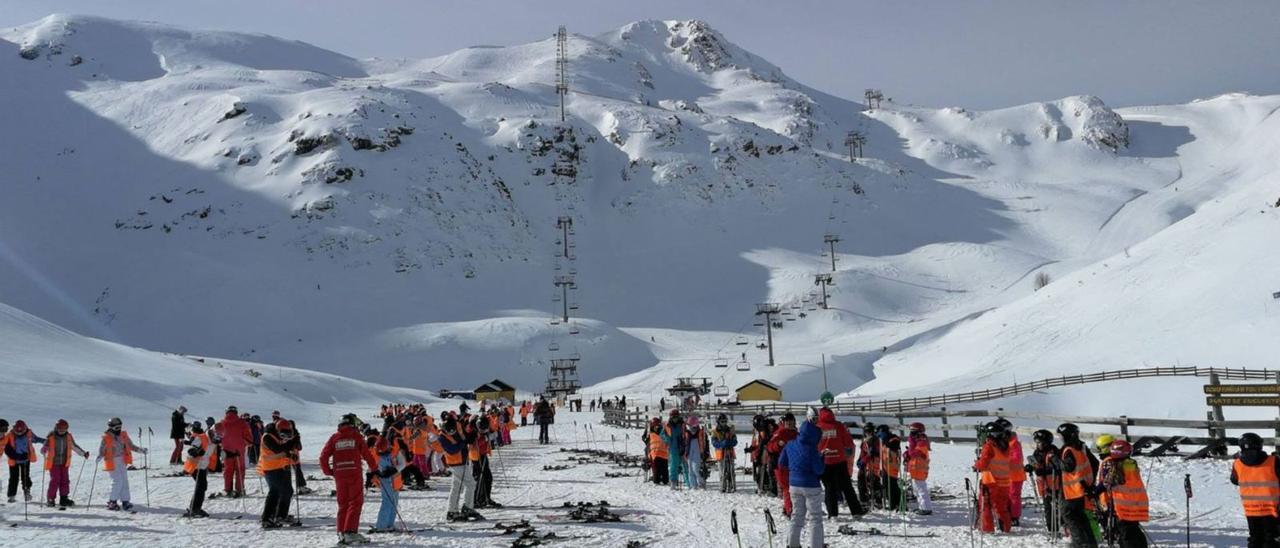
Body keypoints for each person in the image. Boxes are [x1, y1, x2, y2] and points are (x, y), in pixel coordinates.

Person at [320, 413, 379, 545]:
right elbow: (367, 454)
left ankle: (341, 532)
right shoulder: (356, 436)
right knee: (355, 502)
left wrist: (329, 471)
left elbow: (323, 457)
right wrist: (374, 468)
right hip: (354, 473)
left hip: (339, 474)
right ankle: (351, 532)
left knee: (343, 504)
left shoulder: (334, 438)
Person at [778, 417, 825, 548]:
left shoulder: (790, 444)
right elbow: (819, 470)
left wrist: (795, 465)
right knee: (815, 518)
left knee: (797, 516)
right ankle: (816, 545)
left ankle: (792, 544)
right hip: (811, 486)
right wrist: (822, 458)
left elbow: (782, 462)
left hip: (794, 484)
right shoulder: (812, 449)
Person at [1096, 440, 1148, 548]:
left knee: (1126, 535)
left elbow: (1107, 482)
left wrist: (1095, 491)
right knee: (1135, 531)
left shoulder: (1117, 467)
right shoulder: (1132, 463)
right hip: (1137, 504)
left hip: (1123, 507)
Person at [1232, 432, 1280, 548]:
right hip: (1271, 509)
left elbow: (1234, 480)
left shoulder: (1237, 464)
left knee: (1255, 538)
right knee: (1272, 539)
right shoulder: (1273, 461)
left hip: (1251, 509)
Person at [816, 407, 864, 517]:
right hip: (840, 461)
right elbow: (848, 442)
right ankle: (856, 512)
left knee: (829, 488)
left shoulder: (817, 427)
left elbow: (814, 445)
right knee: (847, 487)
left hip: (825, 461)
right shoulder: (839, 425)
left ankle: (833, 514)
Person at [1058, 423, 1100, 547]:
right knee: (1081, 517)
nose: (1061, 439)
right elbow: (1094, 463)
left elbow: (1068, 467)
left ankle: (1079, 543)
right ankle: (1090, 543)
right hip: (1082, 490)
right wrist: (1089, 482)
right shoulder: (1081, 447)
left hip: (1071, 491)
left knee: (1070, 517)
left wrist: (1055, 460)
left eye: (1062, 436)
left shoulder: (1069, 449)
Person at [97, 417, 146, 510]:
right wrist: (100, 456)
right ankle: (112, 501)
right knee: (117, 481)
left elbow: (131, 446)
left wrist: (141, 450)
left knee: (124, 481)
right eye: (116, 428)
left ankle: (125, 501)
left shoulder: (123, 435)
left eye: (120, 427)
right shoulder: (106, 437)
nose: (119, 429)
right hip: (112, 461)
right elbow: (102, 450)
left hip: (122, 460)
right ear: (111, 427)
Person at [259, 419, 299, 528]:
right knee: (276, 492)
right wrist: (291, 443)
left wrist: (291, 455)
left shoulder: (279, 436)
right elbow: (277, 449)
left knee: (287, 491)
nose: (285, 437)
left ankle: (280, 515)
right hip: (271, 468)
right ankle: (267, 518)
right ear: (278, 430)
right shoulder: (268, 437)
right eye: (283, 435)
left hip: (281, 467)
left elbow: (284, 451)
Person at [440, 416, 481, 521]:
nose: (452, 433)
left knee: (457, 488)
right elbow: (452, 450)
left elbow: (465, 436)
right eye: (449, 431)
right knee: (471, 484)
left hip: (462, 462)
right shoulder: (442, 437)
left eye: (453, 431)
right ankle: (466, 507)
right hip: (456, 463)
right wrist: (463, 443)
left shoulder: (456, 427)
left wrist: (471, 434)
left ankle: (452, 510)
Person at [975, 422, 1013, 533]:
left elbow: (983, 464)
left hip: (991, 481)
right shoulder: (1005, 445)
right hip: (1004, 481)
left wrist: (976, 464)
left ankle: (987, 529)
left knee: (985, 505)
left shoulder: (990, 446)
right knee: (1002, 505)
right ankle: (1006, 527)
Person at [43, 419, 89, 507]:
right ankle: (50, 499)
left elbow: (74, 446)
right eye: (60, 429)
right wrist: (44, 449)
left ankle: (64, 498)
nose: (61, 431)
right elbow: (45, 446)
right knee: (55, 480)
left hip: (64, 462)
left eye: (64, 429)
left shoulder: (68, 436)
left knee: (65, 480)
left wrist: (83, 453)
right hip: (54, 462)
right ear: (56, 428)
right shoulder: (51, 436)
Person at [1025, 429, 1062, 534]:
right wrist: (1030, 467)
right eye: (1036, 442)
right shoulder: (1037, 452)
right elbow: (1035, 463)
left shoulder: (1053, 452)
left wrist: (1043, 471)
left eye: (1040, 442)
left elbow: (1058, 467)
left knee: (1057, 508)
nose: (1038, 445)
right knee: (1047, 508)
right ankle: (1051, 529)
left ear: (1046, 442)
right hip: (1044, 486)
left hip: (1055, 485)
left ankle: (1060, 527)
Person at [4, 420, 43, 503]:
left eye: (21, 430)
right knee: (13, 478)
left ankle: (27, 492)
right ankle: (11, 495)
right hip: (14, 460)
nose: (19, 432)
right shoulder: (9, 435)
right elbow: (7, 449)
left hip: (25, 460)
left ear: (25, 428)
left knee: (25, 477)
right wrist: (17, 456)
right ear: (14, 429)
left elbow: (36, 439)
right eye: (17, 431)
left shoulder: (29, 434)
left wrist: (46, 441)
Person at [767, 413, 798, 516]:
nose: (789, 423)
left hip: (794, 464)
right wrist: (777, 445)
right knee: (787, 488)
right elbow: (769, 447)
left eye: (791, 421)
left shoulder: (796, 433)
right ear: (783, 422)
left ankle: (787, 508)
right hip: (780, 465)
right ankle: (789, 509)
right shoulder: (779, 433)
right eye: (787, 421)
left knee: (792, 488)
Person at [370, 437, 403, 533]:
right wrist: (377, 474)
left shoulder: (395, 452)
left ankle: (389, 524)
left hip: (395, 481)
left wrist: (394, 470)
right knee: (387, 502)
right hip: (385, 482)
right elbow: (372, 468)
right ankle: (381, 525)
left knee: (394, 503)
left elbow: (403, 463)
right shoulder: (375, 454)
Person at [182, 421, 213, 518]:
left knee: (202, 486)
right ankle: (194, 509)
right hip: (196, 466)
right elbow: (191, 450)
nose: (216, 438)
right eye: (215, 435)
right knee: (201, 486)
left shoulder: (211, 441)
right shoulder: (201, 438)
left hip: (202, 466)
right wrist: (197, 452)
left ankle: (195, 508)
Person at [220, 406, 251, 498]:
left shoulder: (222, 422)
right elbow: (248, 437)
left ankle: (227, 489)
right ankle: (239, 489)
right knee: (240, 470)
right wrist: (246, 443)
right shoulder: (242, 422)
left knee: (228, 470)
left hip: (226, 451)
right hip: (239, 450)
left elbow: (217, 436)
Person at [904, 422, 932, 515]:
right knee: (917, 489)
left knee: (921, 489)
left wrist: (910, 449)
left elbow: (914, 453)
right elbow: (911, 452)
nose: (911, 434)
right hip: (915, 468)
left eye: (914, 432)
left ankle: (926, 508)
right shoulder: (918, 441)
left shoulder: (922, 442)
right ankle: (922, 507)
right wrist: (906, 453)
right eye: (911, 432)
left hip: (919, 468)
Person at [710, 414, 737, 493]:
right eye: (722, 422)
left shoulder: (730, 430)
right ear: (718, 422)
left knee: (731, 470)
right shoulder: (715, 431)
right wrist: (722, 443)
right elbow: (714, 442)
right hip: (720, 454)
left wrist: (731, 442)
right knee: (722, 471)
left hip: (729, 453)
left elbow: (735, 440)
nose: (724, 423)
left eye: (725, 421)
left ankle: (732, 485)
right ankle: (722, 486)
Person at [857, 422, 880, 508]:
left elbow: (872, 453)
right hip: (865, 463)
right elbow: (863, 452)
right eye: (866, 431)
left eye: (869, 431)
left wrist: (863, 460)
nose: (868, 433)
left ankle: (878, 501)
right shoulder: (865, 440)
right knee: (861, 480)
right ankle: (864, 500)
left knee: (874, 481)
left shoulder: (874, 440)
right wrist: (860, 460)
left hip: (873, 463)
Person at [661, 410, 686, 489]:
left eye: (676, 417)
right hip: (673, 447)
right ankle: (673, 481)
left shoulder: (682, 424)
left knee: (685, 465)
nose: (675, 419)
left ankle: (688, 481)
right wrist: (668, 439)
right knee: (674, 465)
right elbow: (662, 435)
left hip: (682, 446)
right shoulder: (668, 425)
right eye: (673, 417)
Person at [684, 416, 710, 489]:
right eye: (689, 426)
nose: (691, 428)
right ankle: (693, 485)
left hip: (698, 452)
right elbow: (684, 443)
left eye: (691, 426)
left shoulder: (701, 433)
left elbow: (706, 443)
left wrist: (706, 453)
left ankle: (701, 483)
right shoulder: (687, 433)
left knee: (696, 468)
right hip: (689, 453)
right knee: (690, 469)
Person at [647, 418, 670, 485]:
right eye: (655, 426)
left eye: (658, 426)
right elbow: (646, 441)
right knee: (656, 472)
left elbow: (668, 432)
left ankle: (665, 480)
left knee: (665, 473)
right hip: (655, 455)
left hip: (664, 454)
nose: (656, 427)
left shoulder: (663, 432)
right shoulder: (650, 433)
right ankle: (656, 480)